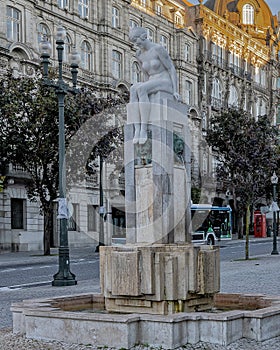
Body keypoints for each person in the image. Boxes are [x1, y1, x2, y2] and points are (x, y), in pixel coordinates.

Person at [128, 27, 180, 144]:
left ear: (144, 37)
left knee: (141, 89)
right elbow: (146, 74)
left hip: (165, 81)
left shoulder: (158, 49)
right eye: (133, 41)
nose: (136, 44)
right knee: (133, 89)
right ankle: (137, 129)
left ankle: (144, 129)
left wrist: (175, 91)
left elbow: (171, 68)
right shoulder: (139, 54)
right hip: (152, 81)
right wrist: (146, 86)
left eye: (136, 40)